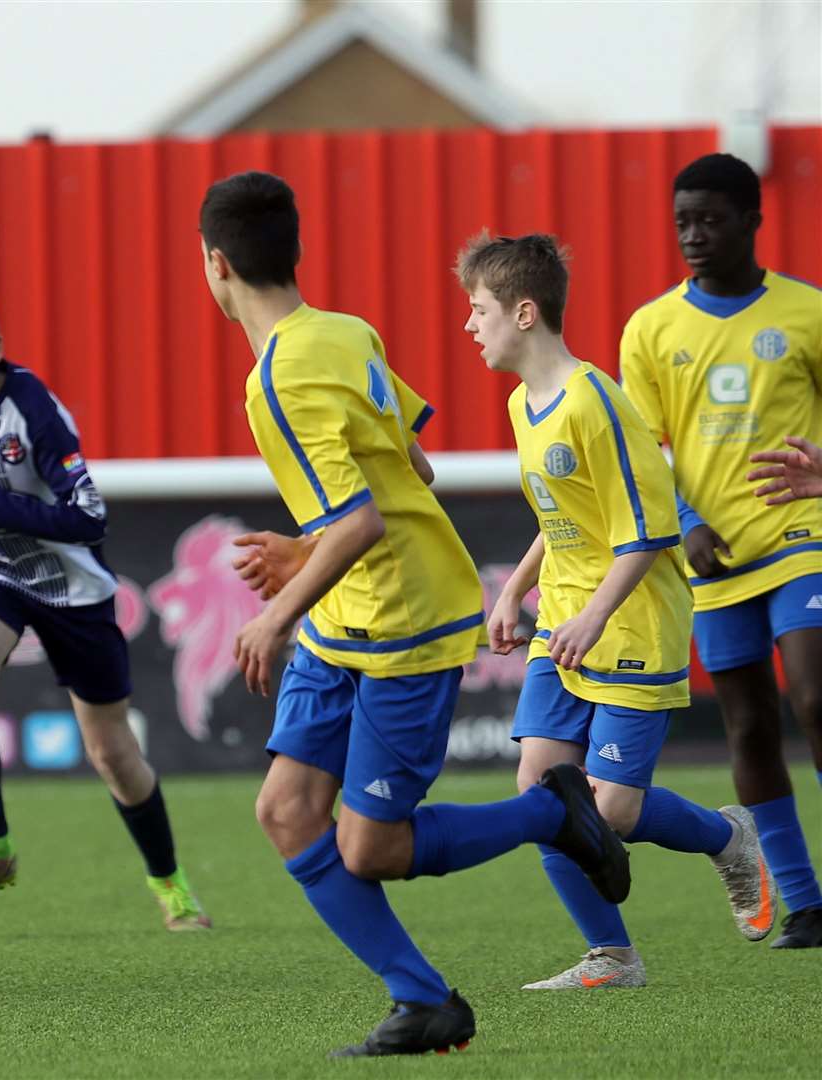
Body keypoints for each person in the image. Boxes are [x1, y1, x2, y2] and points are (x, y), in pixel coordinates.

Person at [202, 170, 628, 1058]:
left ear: (216, 267)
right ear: (296, 252)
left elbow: (360, 519)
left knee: (373, 849)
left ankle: (554, 811)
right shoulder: (344, 331)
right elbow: (415, 472)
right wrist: (306, 554)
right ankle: (422, 1000)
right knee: (285, 811)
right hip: (344, 617)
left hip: (406, 621)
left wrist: (274, 611)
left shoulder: (275, 379)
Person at [465, 231, 773, 991]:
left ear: (525, 313)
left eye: (479, 311)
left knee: (615, 813)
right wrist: (515, 590)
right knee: (542, 794)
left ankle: (727, 836)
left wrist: (595, 616)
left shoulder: (599, 404)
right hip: (566, 620)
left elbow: (648, 529)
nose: (470, 327)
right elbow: (566, 514)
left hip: (631, 620)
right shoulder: (521, 404)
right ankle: (613, 956)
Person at [0, 283, 209, 930]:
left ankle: (170, 884)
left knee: (113, 755)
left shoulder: (36, 411)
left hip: (72, 586)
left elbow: (89, 519)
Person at [619, 152, 822, 949]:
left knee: (814, 694)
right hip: (715, 559)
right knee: (748, 725)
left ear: (751, 221)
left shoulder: (805, 312)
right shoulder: (652, 328)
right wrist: (687, 520)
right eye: (682, 223)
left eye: (709, 220)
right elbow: (642, 453)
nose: (693, 237)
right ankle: (804, 903)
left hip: (802, 536)